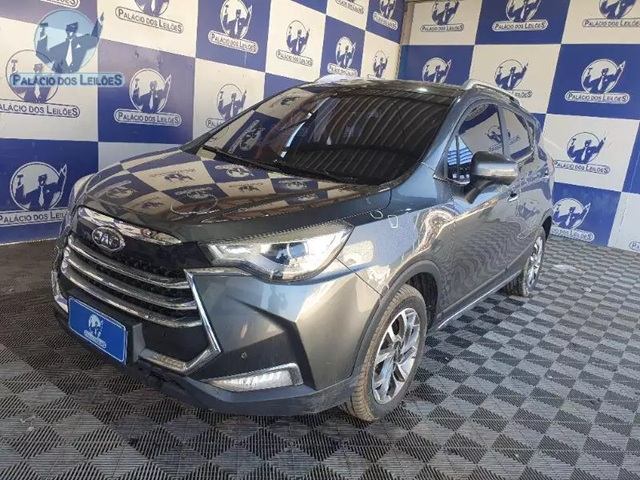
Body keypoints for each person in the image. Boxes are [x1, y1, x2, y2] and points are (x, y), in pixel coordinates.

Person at [36, 15, 104, 73]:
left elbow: (93, 40)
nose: (70, 33)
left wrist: (99, 23)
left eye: (72, 30)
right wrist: (42, 36)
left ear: (75, 31)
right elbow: (43, 57)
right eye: (68, 30)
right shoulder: (59, 47)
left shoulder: (82, 41)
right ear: (66, 31)